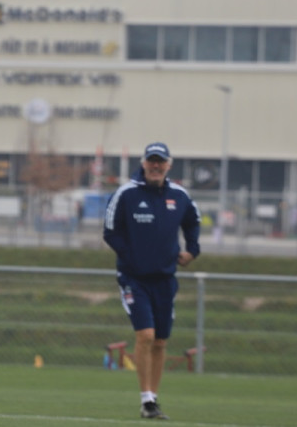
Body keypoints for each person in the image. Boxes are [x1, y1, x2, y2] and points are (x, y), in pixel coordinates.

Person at [103, 142, 201, 420]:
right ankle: (145, 399)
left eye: (161, 161)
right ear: (144, 163)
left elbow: (193, 221)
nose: (156, 166)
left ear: (169, 165)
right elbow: (110, 231)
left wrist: (192, 250)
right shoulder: (126, 193)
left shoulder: (179, 195)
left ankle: (153, 400)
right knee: (145, 335)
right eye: (151, 160)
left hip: (165, 279)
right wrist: (132, 257)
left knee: (159, 341)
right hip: (134, 278)